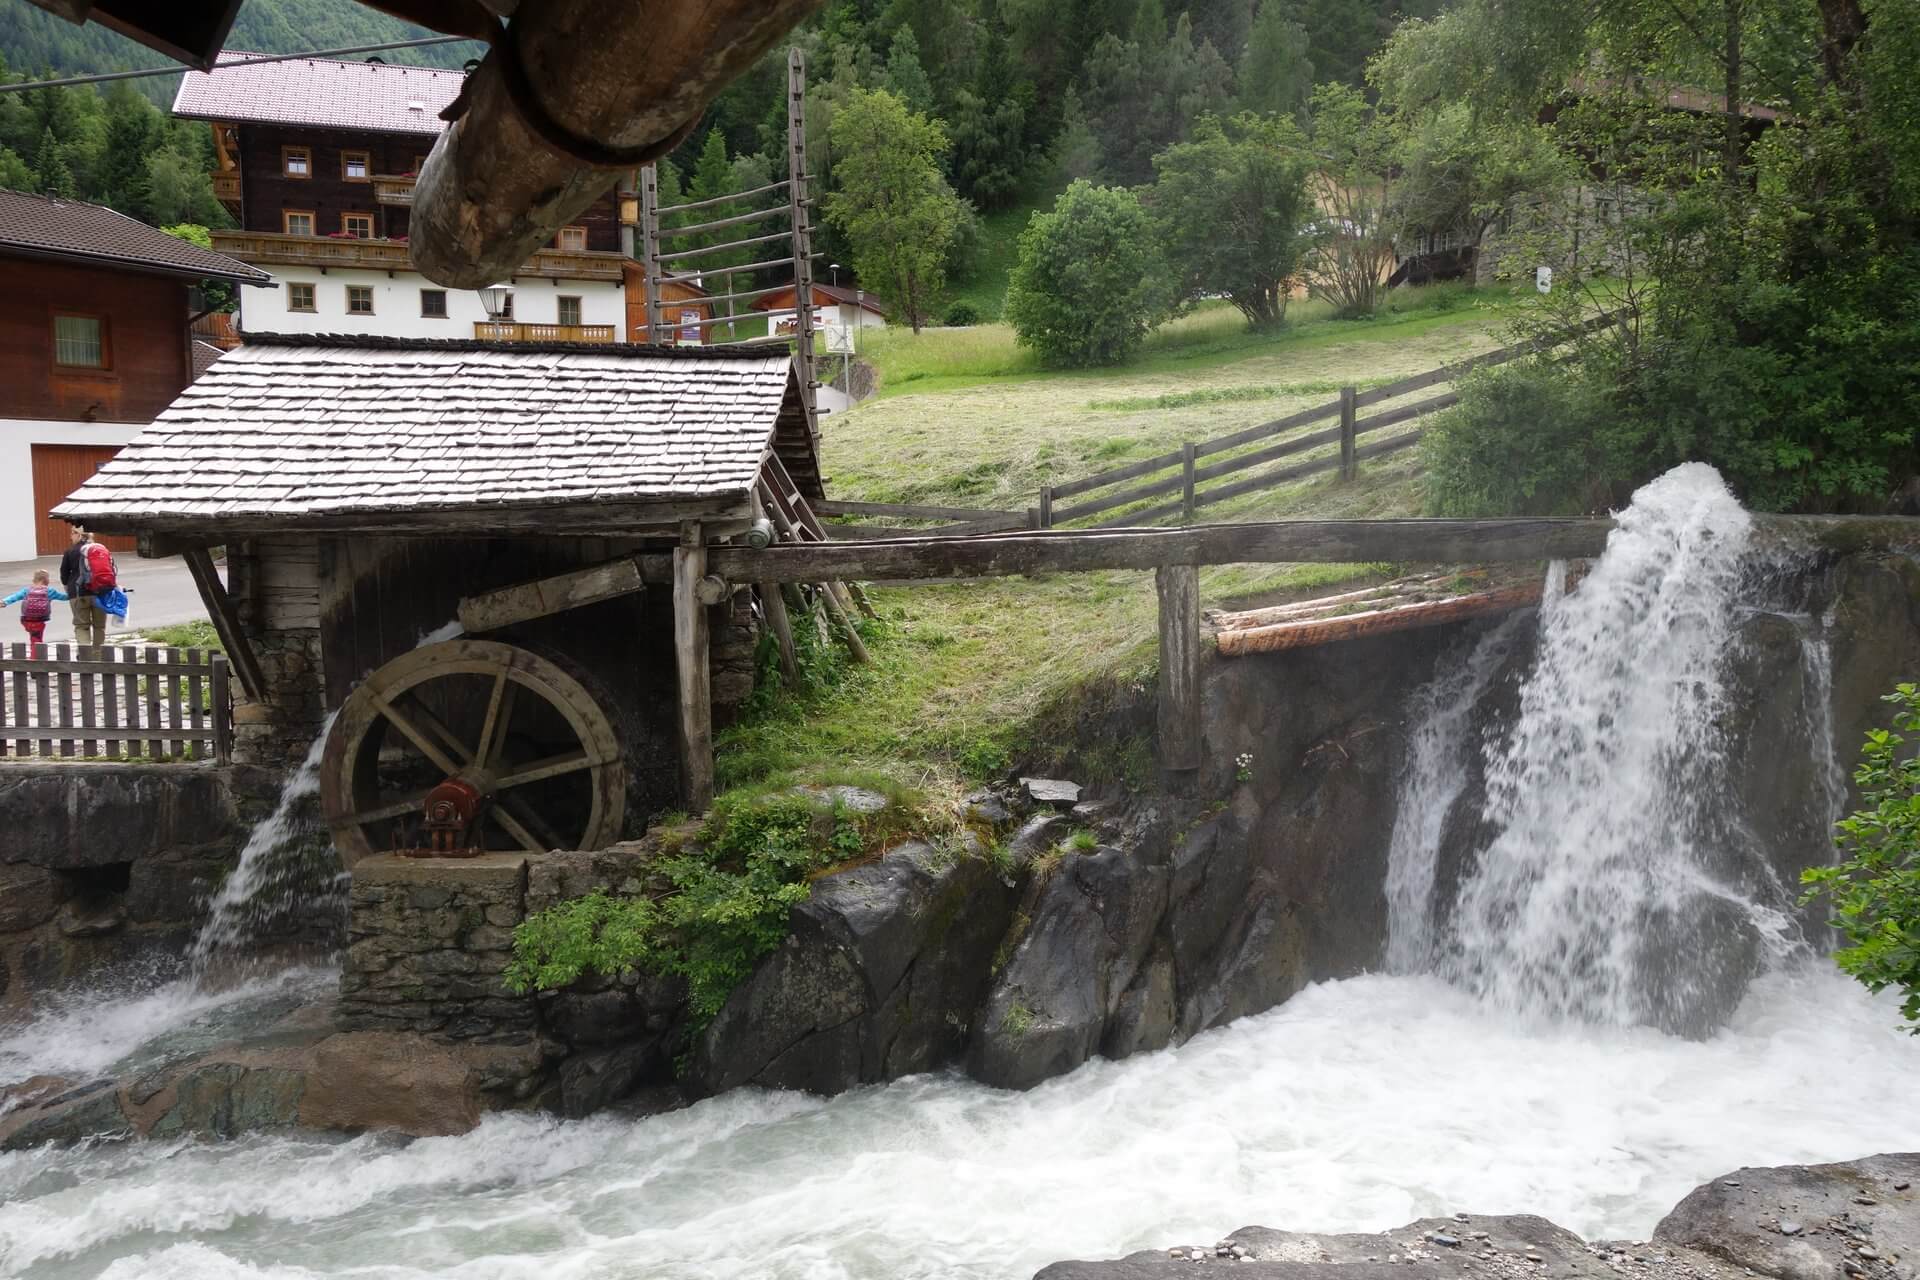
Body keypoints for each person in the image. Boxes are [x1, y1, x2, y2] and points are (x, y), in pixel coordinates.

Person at [60, 525, 109, 648]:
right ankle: (98, 656)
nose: (70, 536)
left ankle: (85, 656)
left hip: (78, 592)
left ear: (79, 534)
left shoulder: (70, 551)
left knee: (82, 626)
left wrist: (67, 586)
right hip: (100, 592)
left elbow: (64, 574)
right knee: (99, 626)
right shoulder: (100, 549)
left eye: (72, 533)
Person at [1, 570, 69, 653]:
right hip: (39, 620)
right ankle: (35, 658)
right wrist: (73, 592)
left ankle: (34, 653)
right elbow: (64, 597)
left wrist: (4, 602)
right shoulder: (50, 591)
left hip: (26, 620)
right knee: (37, 641)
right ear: (46, 580)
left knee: (33, 636)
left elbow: (15, 597)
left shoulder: (27, 590)